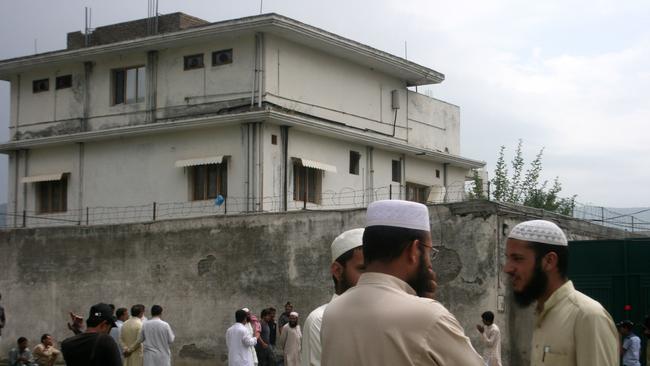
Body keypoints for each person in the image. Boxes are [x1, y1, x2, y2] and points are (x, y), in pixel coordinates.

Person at [321, 199, 483, 366]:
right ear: (414, 250)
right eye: (429, 252)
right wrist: (426, 306)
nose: (430, 263)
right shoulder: (431, 318)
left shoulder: (332, 311)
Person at [503, 219, 619, 366]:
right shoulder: (541, 313)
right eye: (508, 258)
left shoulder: (588, 316)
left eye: (517, 259)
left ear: (549, 261)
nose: (507, 268)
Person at [301, 228, 365, 366]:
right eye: (362, 269)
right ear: (337, 271)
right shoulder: (320, 320)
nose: (372, 277)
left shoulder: (378, 316)